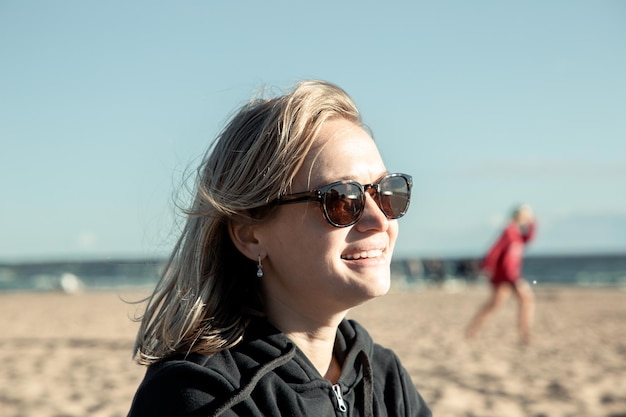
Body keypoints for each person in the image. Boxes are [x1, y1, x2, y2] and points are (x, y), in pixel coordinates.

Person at [127, 80, 432, 417]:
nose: (378, 220)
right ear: (250, 235)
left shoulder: (383, 377)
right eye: (342, 199)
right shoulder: (200, 394)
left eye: (387, 192)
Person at [465, 204, 537, 344]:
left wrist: (532, 223)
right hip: (506, 276)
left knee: (499, 304)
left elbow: (528, 238)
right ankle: (525, 335)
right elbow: (494, 251)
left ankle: (524, 335)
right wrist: (487, 267)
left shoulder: (517, 234)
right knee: (525, 300)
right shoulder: (508, 232)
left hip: (511, 276)